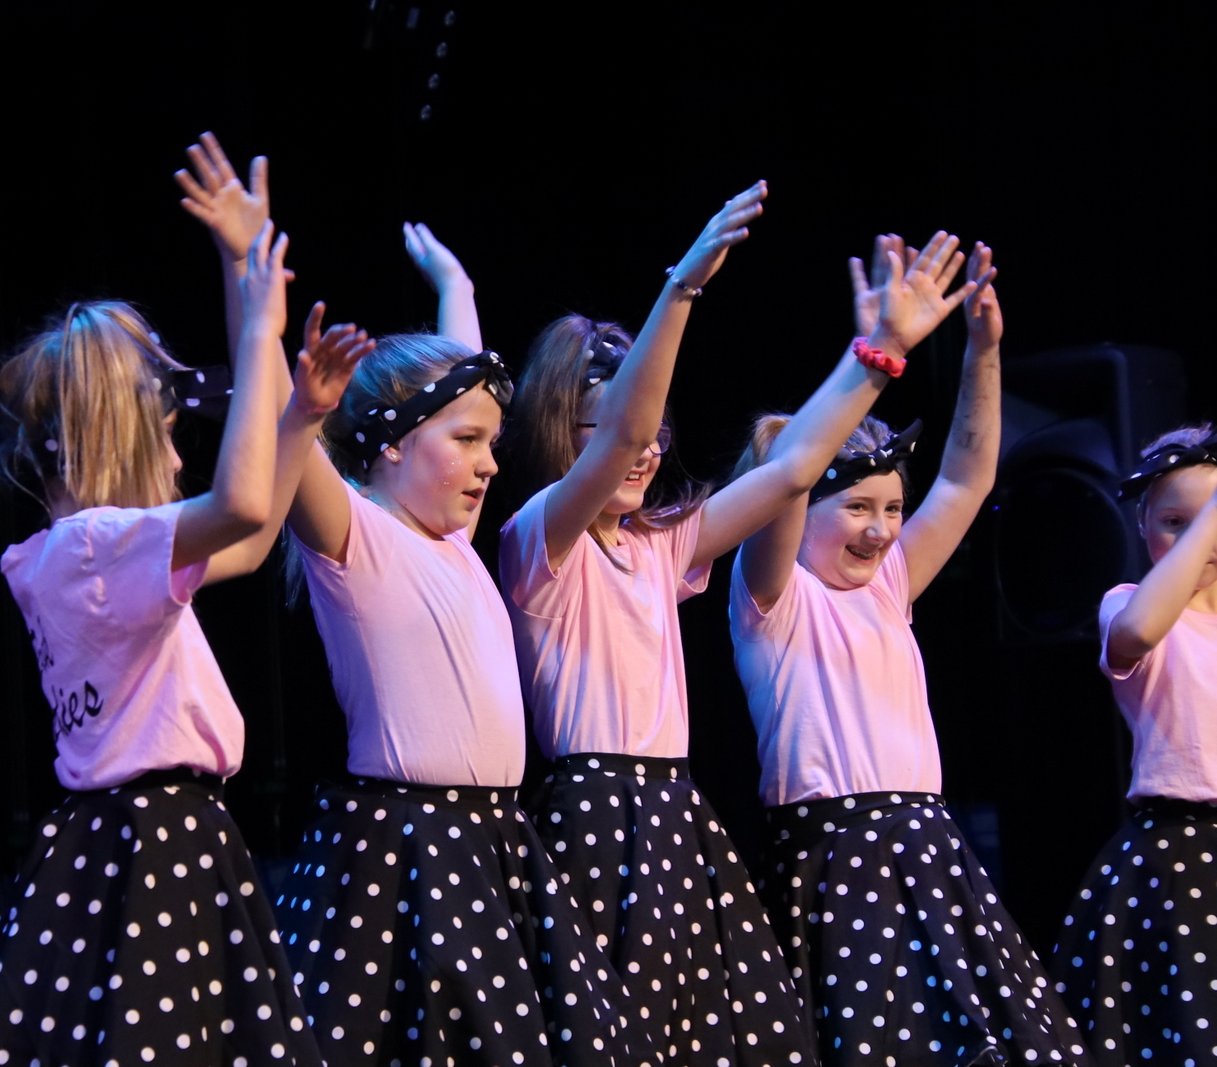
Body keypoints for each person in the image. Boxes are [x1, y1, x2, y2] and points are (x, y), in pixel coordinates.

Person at [174, 133, 630, 1067]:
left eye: (491, 442)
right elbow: (273, 417)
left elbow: (462, 375)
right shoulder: (358, 535)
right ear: (388, 443)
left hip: (499, 842)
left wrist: (456, 285)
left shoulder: (454, 539)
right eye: (466, 442)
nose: (490, 463)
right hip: (408, 844)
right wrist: (248, 282)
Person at [501, 191, 975, 1066]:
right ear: (565, 432)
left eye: (657, 434)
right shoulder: (539, 537)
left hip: (676, 813)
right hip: (595, 818)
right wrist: (680, 289)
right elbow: (622, 438)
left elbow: (794, 468)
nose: (647, 449)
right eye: (617, 431)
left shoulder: (660, 543)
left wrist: (879, 355)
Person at [0, 221, 370, 1067]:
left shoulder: (74, 557)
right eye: (170, 435)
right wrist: (256, 325)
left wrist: (301, 415)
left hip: (148, 834)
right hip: (157, 837)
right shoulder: (95, 545)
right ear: (117, 435)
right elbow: (243, 505)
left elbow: (250, 543)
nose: (182, 462)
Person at [728, 241, 1092, 1065]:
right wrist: (875, 356)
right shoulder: (774, 597)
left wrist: (983, 351)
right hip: (837, 857)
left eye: (892, 508)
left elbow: (963, 480)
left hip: (927, 845)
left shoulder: (889, 587)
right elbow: (788, 478)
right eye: (858, 507)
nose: (882, 530)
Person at [1050, 423, 1217, 1066]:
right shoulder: (1126, 605)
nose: (1198, 542)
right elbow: (1140, 632)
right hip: (1181, 855)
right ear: (1143, 527)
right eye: (1175, 523)